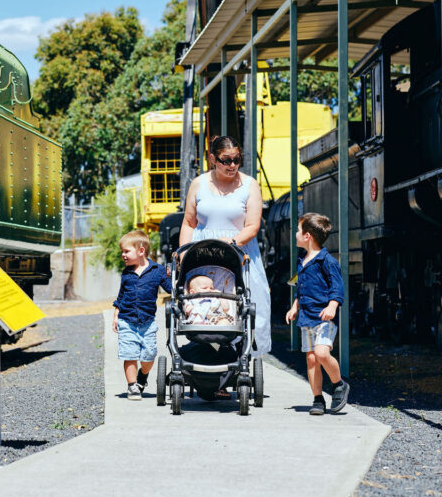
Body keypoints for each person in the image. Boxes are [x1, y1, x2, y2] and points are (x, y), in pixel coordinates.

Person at [179, 135, 271, 355]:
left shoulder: (249, 185)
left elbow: (252, 226)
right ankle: (205, 353)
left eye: (236, 160)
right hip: (202, 254)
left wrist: (230, 244)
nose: (232, 165)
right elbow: (189, 223)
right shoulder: (199, 184)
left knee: (243, 306)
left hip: (238, 252)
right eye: (226, 160)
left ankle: (240, 355)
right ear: (213, 159)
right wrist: (182, 255)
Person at [285, 212, 351, 415]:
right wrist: (295, 306)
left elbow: (337, 288)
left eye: (298, 230)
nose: (295, 233)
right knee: (312, 360)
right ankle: (318, 399)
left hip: (324, 317)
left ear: (308, 236)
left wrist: (332, 306)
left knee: (322, 353)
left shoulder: (327, 261)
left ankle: (339, 384)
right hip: (306, 317)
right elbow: (302, 288)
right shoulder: (303, 261)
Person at [112, 229, 171, 400]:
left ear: (141, 251)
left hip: (147, 322)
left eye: (126, 251)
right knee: (129, 354)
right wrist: (116, 313)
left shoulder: (157, 270)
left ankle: (142, 377)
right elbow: (121, 296)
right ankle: (132, 387)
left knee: (149, 355)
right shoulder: (127, 273)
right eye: (122, 251)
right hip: (127, 320)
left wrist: (181, 289)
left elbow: (170, 288)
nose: (123, 255)